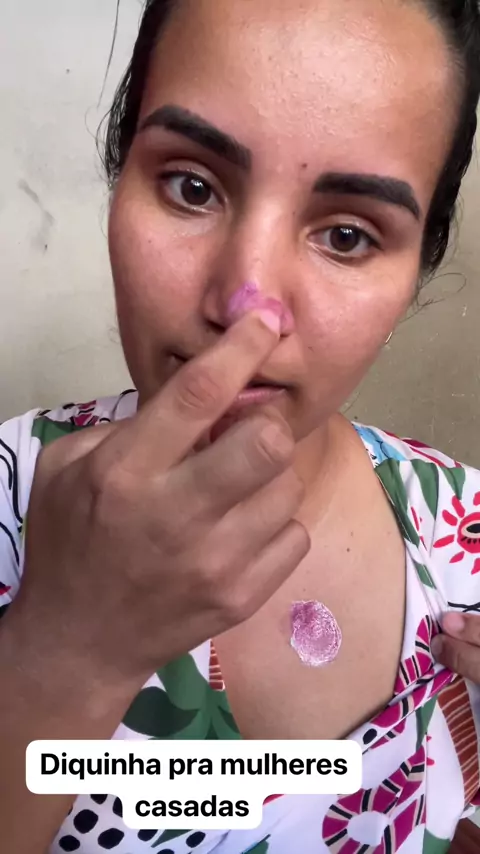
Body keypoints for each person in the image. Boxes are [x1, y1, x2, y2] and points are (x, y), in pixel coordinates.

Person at [2, 0, 480, 851]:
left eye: (346, 235)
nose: (244, 305)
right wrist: (62, 659)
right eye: (192, 186)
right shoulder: (10, 496)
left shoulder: (465, 537)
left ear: (417, 272)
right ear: (119, 178)